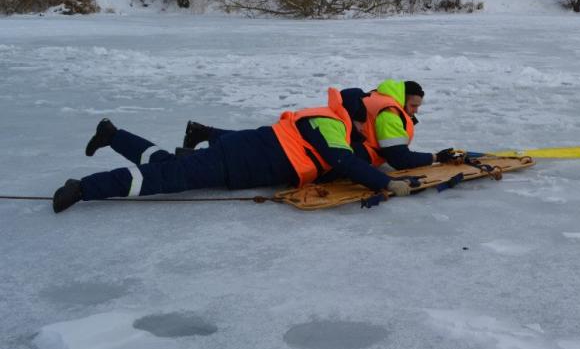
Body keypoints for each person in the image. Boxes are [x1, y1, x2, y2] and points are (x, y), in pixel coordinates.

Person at [51, 87, 417, 213]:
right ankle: (84, 187)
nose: (362, 131)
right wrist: (384, 183)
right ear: (353, 116)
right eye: (362, 124)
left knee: (164, 164)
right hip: (235, 159)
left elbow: (335, 164)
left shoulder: (335, 125)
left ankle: (112, 135)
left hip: (240, 164)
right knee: (162, 177)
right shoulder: (330, 123)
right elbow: (341, 160)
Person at [183, 79, 461, 170]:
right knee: (265, 149)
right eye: (413, 106)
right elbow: (399, 159)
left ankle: (205, 134)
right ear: (402, 99)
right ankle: (198, 153)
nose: (414, 112)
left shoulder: (380, 97)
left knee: (265, 140)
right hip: (342, 146)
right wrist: (436, 157)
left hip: (329, 133)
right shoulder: (390, 114)